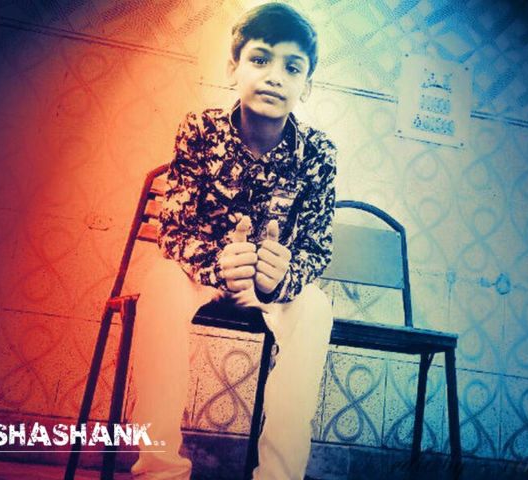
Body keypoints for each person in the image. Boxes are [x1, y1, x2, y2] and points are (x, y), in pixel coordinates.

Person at [130, 3, 337, 479]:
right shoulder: (200, 131)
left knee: (316, 307)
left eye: (292, 68)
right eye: (260, 59)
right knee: (161, 282)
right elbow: (174, 226)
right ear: (233, 68)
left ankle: (278, 475)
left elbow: (317, 247)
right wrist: (218, 265)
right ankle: (158, 470)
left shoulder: (319, 154)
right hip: (202, 275)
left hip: (271, 289)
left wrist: (283, 278)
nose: (274, 77)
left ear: (306, 85)